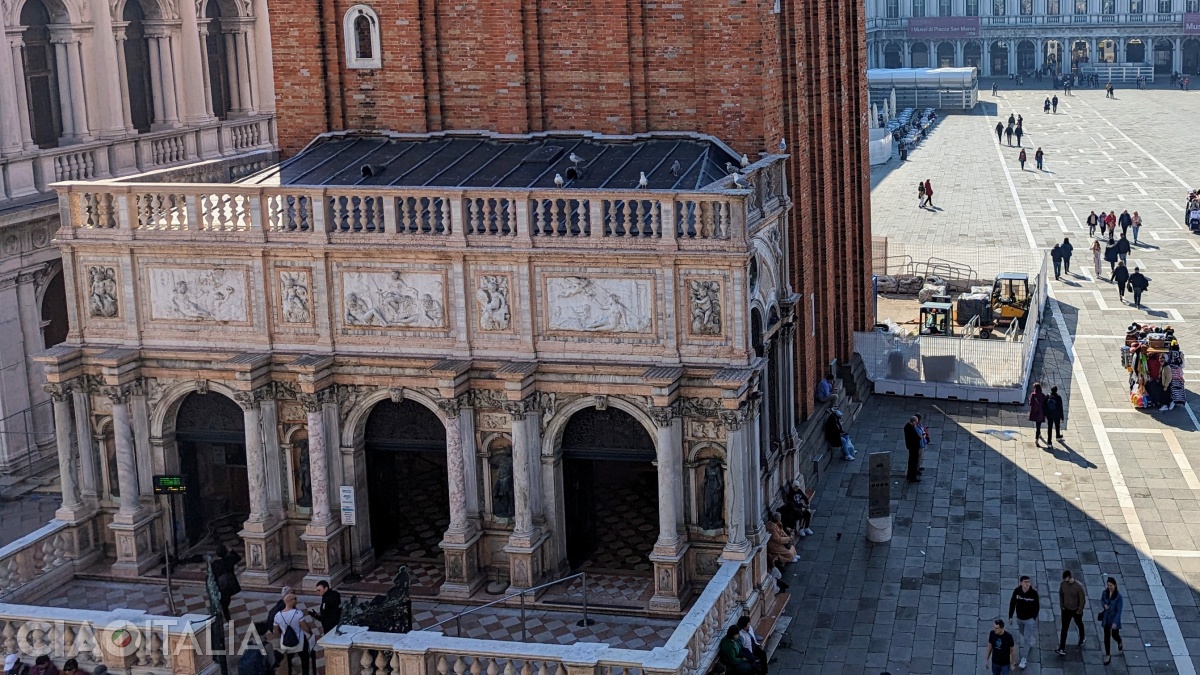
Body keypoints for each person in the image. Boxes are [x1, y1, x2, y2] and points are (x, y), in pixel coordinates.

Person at [273, 593, 313, 675]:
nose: (296, 600)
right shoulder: (298, 613)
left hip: (286, 642)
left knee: (288, 661)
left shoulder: (277, 616)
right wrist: (310, 632)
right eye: (295, 599)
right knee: (304, 659)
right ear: (291, 601)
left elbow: (276, 631)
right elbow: (305, 627)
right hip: (300, 641)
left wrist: (282, 634)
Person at [1008, 576, 1040, 670]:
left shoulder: (1033, 593)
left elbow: (1037, 606)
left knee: (1026, 639)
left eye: (1028, 582)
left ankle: (1024, 659)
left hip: (1029, 620)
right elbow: (1012, 603)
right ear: (1021, 583)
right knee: (1022, 632)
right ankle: (1031, 639)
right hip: (1019, 618)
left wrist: (1034, 618)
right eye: (1025, 582)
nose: (1027, 584)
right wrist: (1010, 616)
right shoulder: (1017, 591)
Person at [1056, 570, 1087, 656]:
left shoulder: (1078, 587)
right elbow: (1061, 594)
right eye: (1065, 580)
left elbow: (1082, 600)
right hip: (1066, 609)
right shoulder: (1063, 585)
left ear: (1070, 577)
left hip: (1076, 610)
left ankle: (1082, 637)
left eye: (1067, 580)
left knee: (1079, 623)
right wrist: (1062, 605)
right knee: (1064, 628)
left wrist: (1079, 610)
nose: (1066, 582)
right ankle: (1062, 648)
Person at [765, 511, 797, 593]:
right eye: (779, 518)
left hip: (780, 542)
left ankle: (793, 556)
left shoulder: (778, 523)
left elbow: (781, 531)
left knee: (791, 546)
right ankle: (791, 557)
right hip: (774, 545)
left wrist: (787, 537)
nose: (780, 519)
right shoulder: (771, 527)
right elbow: (777, 539)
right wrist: (787, 539)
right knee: (788, 553)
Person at [210, 543, 242, 621]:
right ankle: (225, 618)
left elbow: (212, 576)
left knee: (223, 605)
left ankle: (226, 619)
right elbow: (238, 558)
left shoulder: (215, 564)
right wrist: (231, 551)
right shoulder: (229, 560)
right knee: (225, 603)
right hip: (230, 585)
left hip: (221, 586)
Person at [1099, 577, 1124, 665]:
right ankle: (1108, 655)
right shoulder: (1105, 593)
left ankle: (1119, 641)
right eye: (1108, 585)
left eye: (1111, 585)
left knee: (1114, 635)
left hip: (1113, 619)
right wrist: (1104, 605)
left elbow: (1119, 611)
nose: (1110, 587)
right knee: (1106, 637)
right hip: (1106, 618)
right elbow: (1102, 600)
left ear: (1115, 585)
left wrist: (1115, 622)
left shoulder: (1118, 597)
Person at [904, 416, 922, 483]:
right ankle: (913, 477)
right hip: (913, 447)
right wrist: (921, 437)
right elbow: (915, 438)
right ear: (913, 421)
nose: (917, 424)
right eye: (916, 422)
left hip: (911, 446)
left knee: (911, 461)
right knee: (914, 462)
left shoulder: (907, 427)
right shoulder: (911, 429)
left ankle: (909, 475)